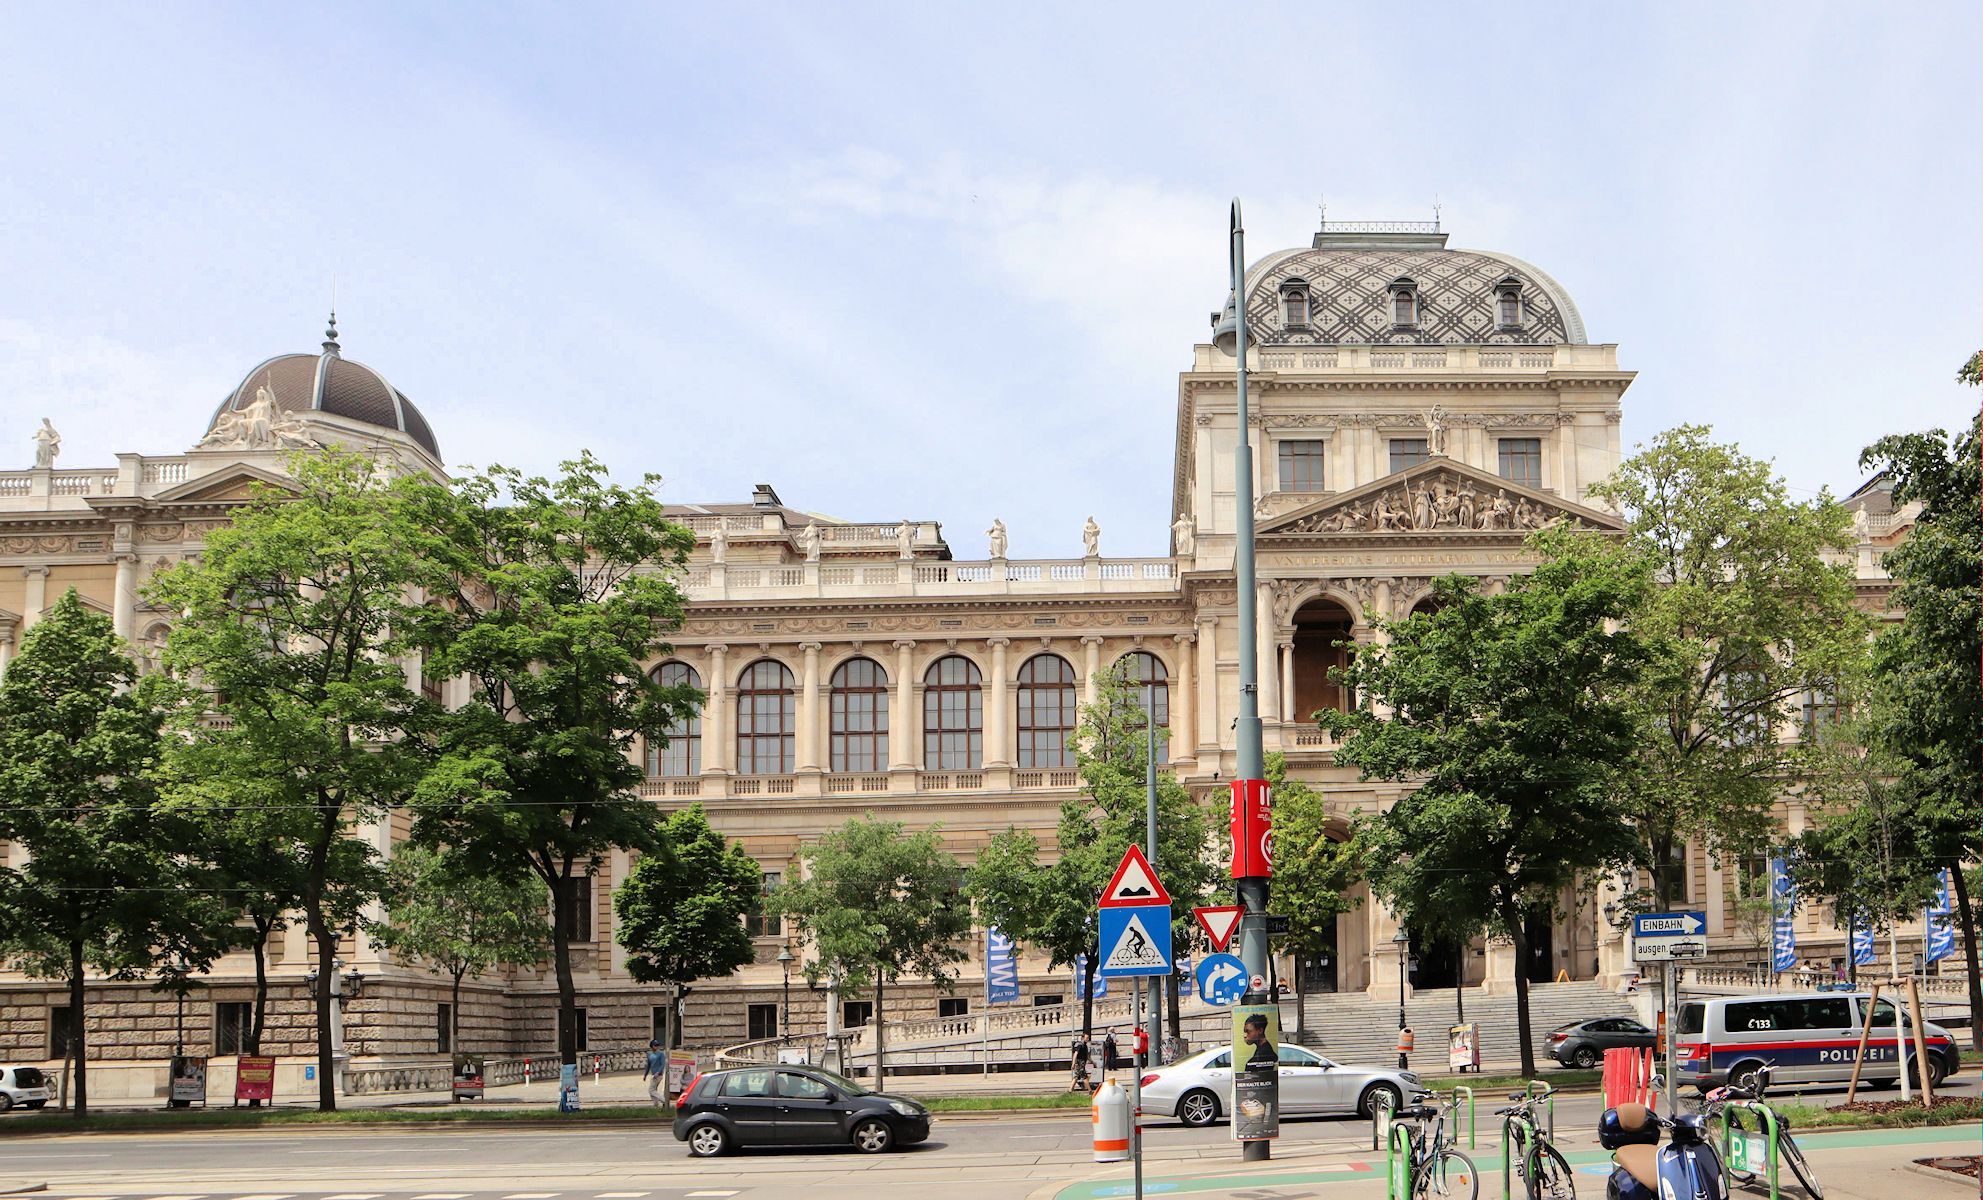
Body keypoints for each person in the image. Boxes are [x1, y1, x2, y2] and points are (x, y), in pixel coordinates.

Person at [643, 1039, 668, 1106]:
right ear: (651, 1046)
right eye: (655, 1045)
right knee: (653, 1090)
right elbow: (648, 1065)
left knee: (651, 1090)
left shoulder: (661, 1054)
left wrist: (658, 1072)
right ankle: (656, 1104)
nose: (657, 1047)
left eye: (657, 1045)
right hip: (653, 1074)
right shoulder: (649, 1054)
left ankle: (664, 1101)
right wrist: (645, 1075)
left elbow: (662, 1065)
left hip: (658, 1075)